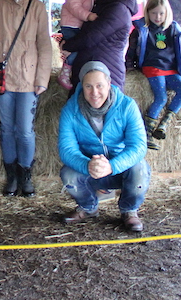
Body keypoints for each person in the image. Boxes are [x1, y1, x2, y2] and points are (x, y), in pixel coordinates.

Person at [0, 0, 52, 198]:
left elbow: (45, 44)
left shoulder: (38, 7)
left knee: (25, 130)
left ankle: (26, 176)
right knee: (6, 129)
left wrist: (42, 78)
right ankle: (11, 177)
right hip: (3, 78)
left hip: (28, 78)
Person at [58, 61, 150, 233]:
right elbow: (66, 149)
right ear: (82, 86)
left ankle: (129, 210)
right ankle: (88, 207)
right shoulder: (70, 110)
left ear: (109, 84)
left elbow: (138, 146)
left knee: (140, 169)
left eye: (100, 85)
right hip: (90, 169)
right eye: (88, 86)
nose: (95, 93)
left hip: (120, 168)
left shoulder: (127, 106)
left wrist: (112, 166)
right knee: (68, 174)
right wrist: (87, 164)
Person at [126, 0, 181, 150]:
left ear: (167, 13)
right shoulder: (142, 29)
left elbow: (180, 51)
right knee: (161, 97)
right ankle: (146, 134)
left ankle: (163, 124)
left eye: (161, 13)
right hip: (152, 67)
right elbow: (132, 49)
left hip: (170, 68)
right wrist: (129, 66)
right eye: (153, 13)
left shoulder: (173, 29)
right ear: (147, 12)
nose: (157, 17)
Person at [63, 0, 137, 90]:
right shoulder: (102, 3)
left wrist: (66, 45)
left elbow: (91, 37)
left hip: (106, 75)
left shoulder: (118, 9)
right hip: (94, 72)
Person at [57, 0, 97, 90]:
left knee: (81, 48)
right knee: (75, 49)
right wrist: (89, 16)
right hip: (70, 25)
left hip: (79, 26)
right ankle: (65, 71)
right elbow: (76, 9)